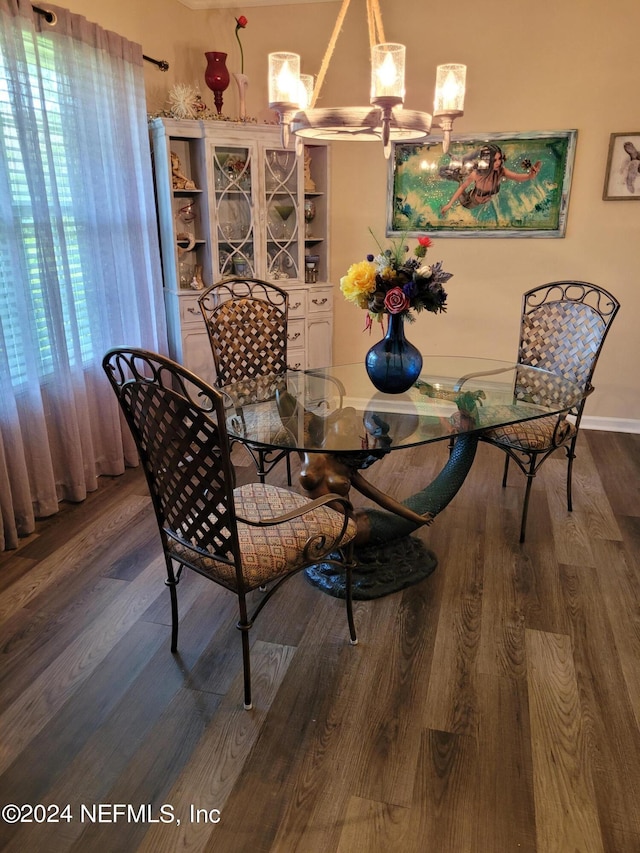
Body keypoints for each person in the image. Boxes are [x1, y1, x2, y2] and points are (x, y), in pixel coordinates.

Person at [440, 144, 541, 216]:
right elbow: (462, 188)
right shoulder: (477, 174)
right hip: (470, 202)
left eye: (499, 159)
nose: (498, 163)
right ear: (488, 161)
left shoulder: (501, 171)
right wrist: (449, 204)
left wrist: (529, 176)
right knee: (460, 181)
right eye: (494, 160)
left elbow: (516, 176)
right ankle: (455, 175)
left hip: (484, 201)